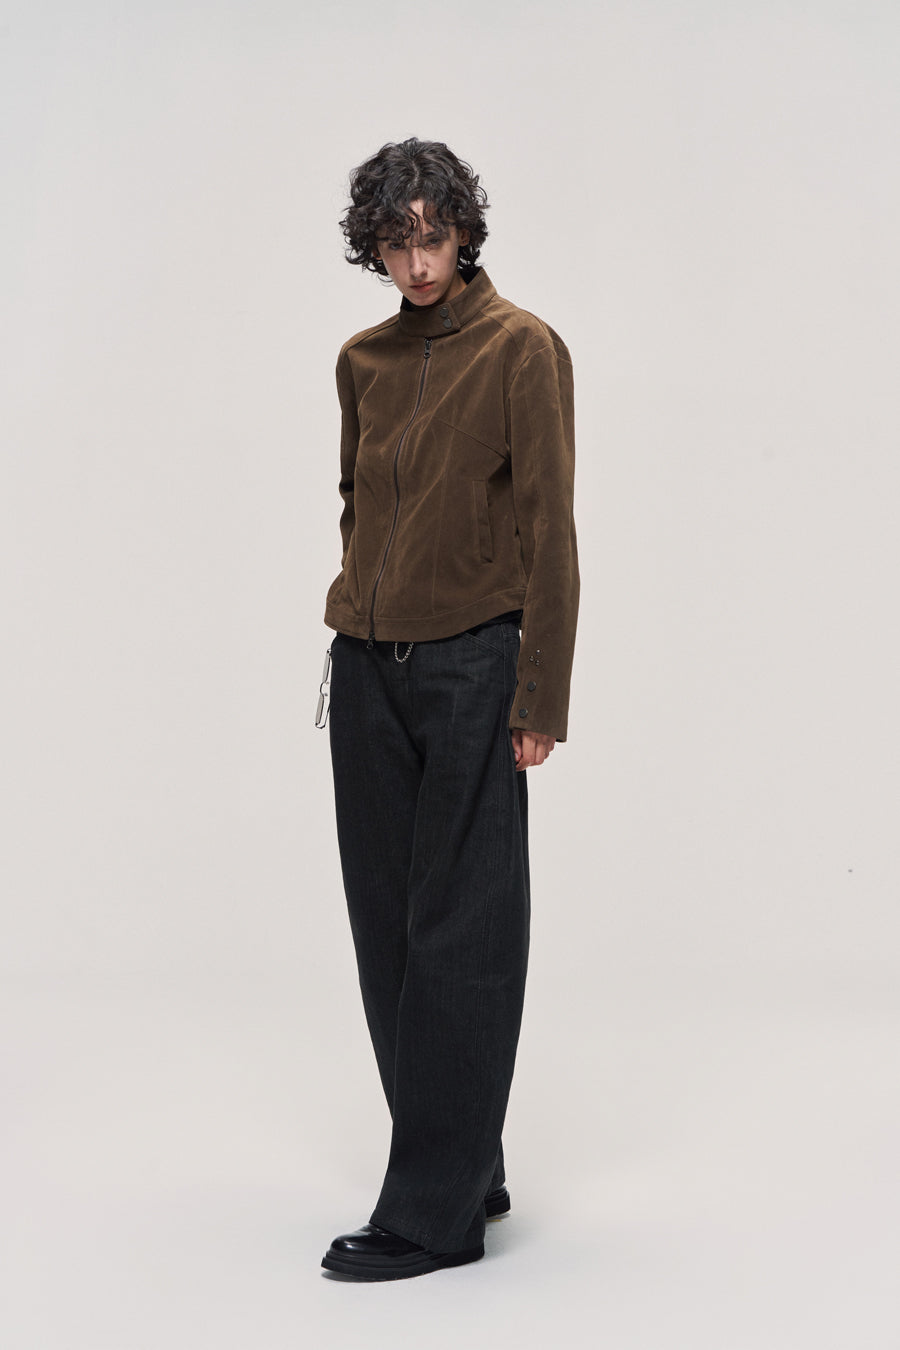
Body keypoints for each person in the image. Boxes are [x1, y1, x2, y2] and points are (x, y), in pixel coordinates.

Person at [319, 138, 579, 1280]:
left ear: (465, 231)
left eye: (433, 237)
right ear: (373, 247)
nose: (418, 262)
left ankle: (435, 1214)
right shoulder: (363, 361)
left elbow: (551, 526)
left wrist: (540, 691)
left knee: (462, 936)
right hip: (365, 667)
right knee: (388, 930)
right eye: (396, 241)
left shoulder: (523, 348)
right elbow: (354, 501)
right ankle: (466, 1160)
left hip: (475, 665)